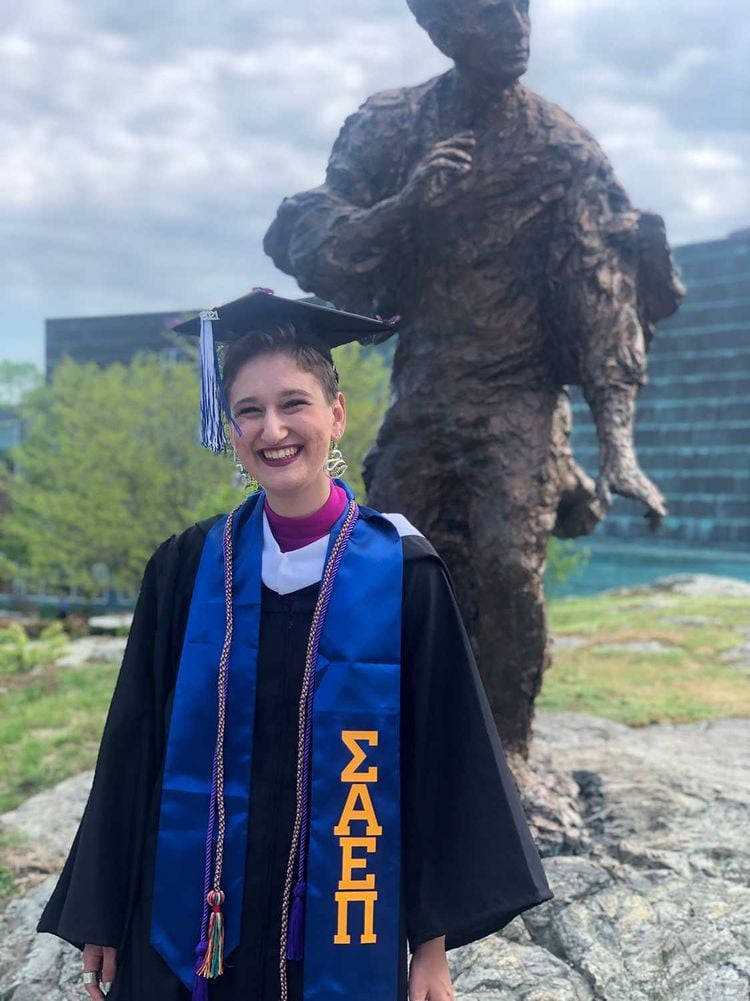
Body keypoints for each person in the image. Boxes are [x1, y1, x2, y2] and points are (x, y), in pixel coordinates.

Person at [37, 289, 553, 1001]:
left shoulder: (403, 571)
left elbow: (441, 764)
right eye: (248, 409)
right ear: (230, 425)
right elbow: (134, 749)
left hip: (338, 925)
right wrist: (104, 914)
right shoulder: (188, 567)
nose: (271, 428)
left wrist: (429, 951)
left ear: (336, 413)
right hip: (191, 928)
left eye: (294, 403)